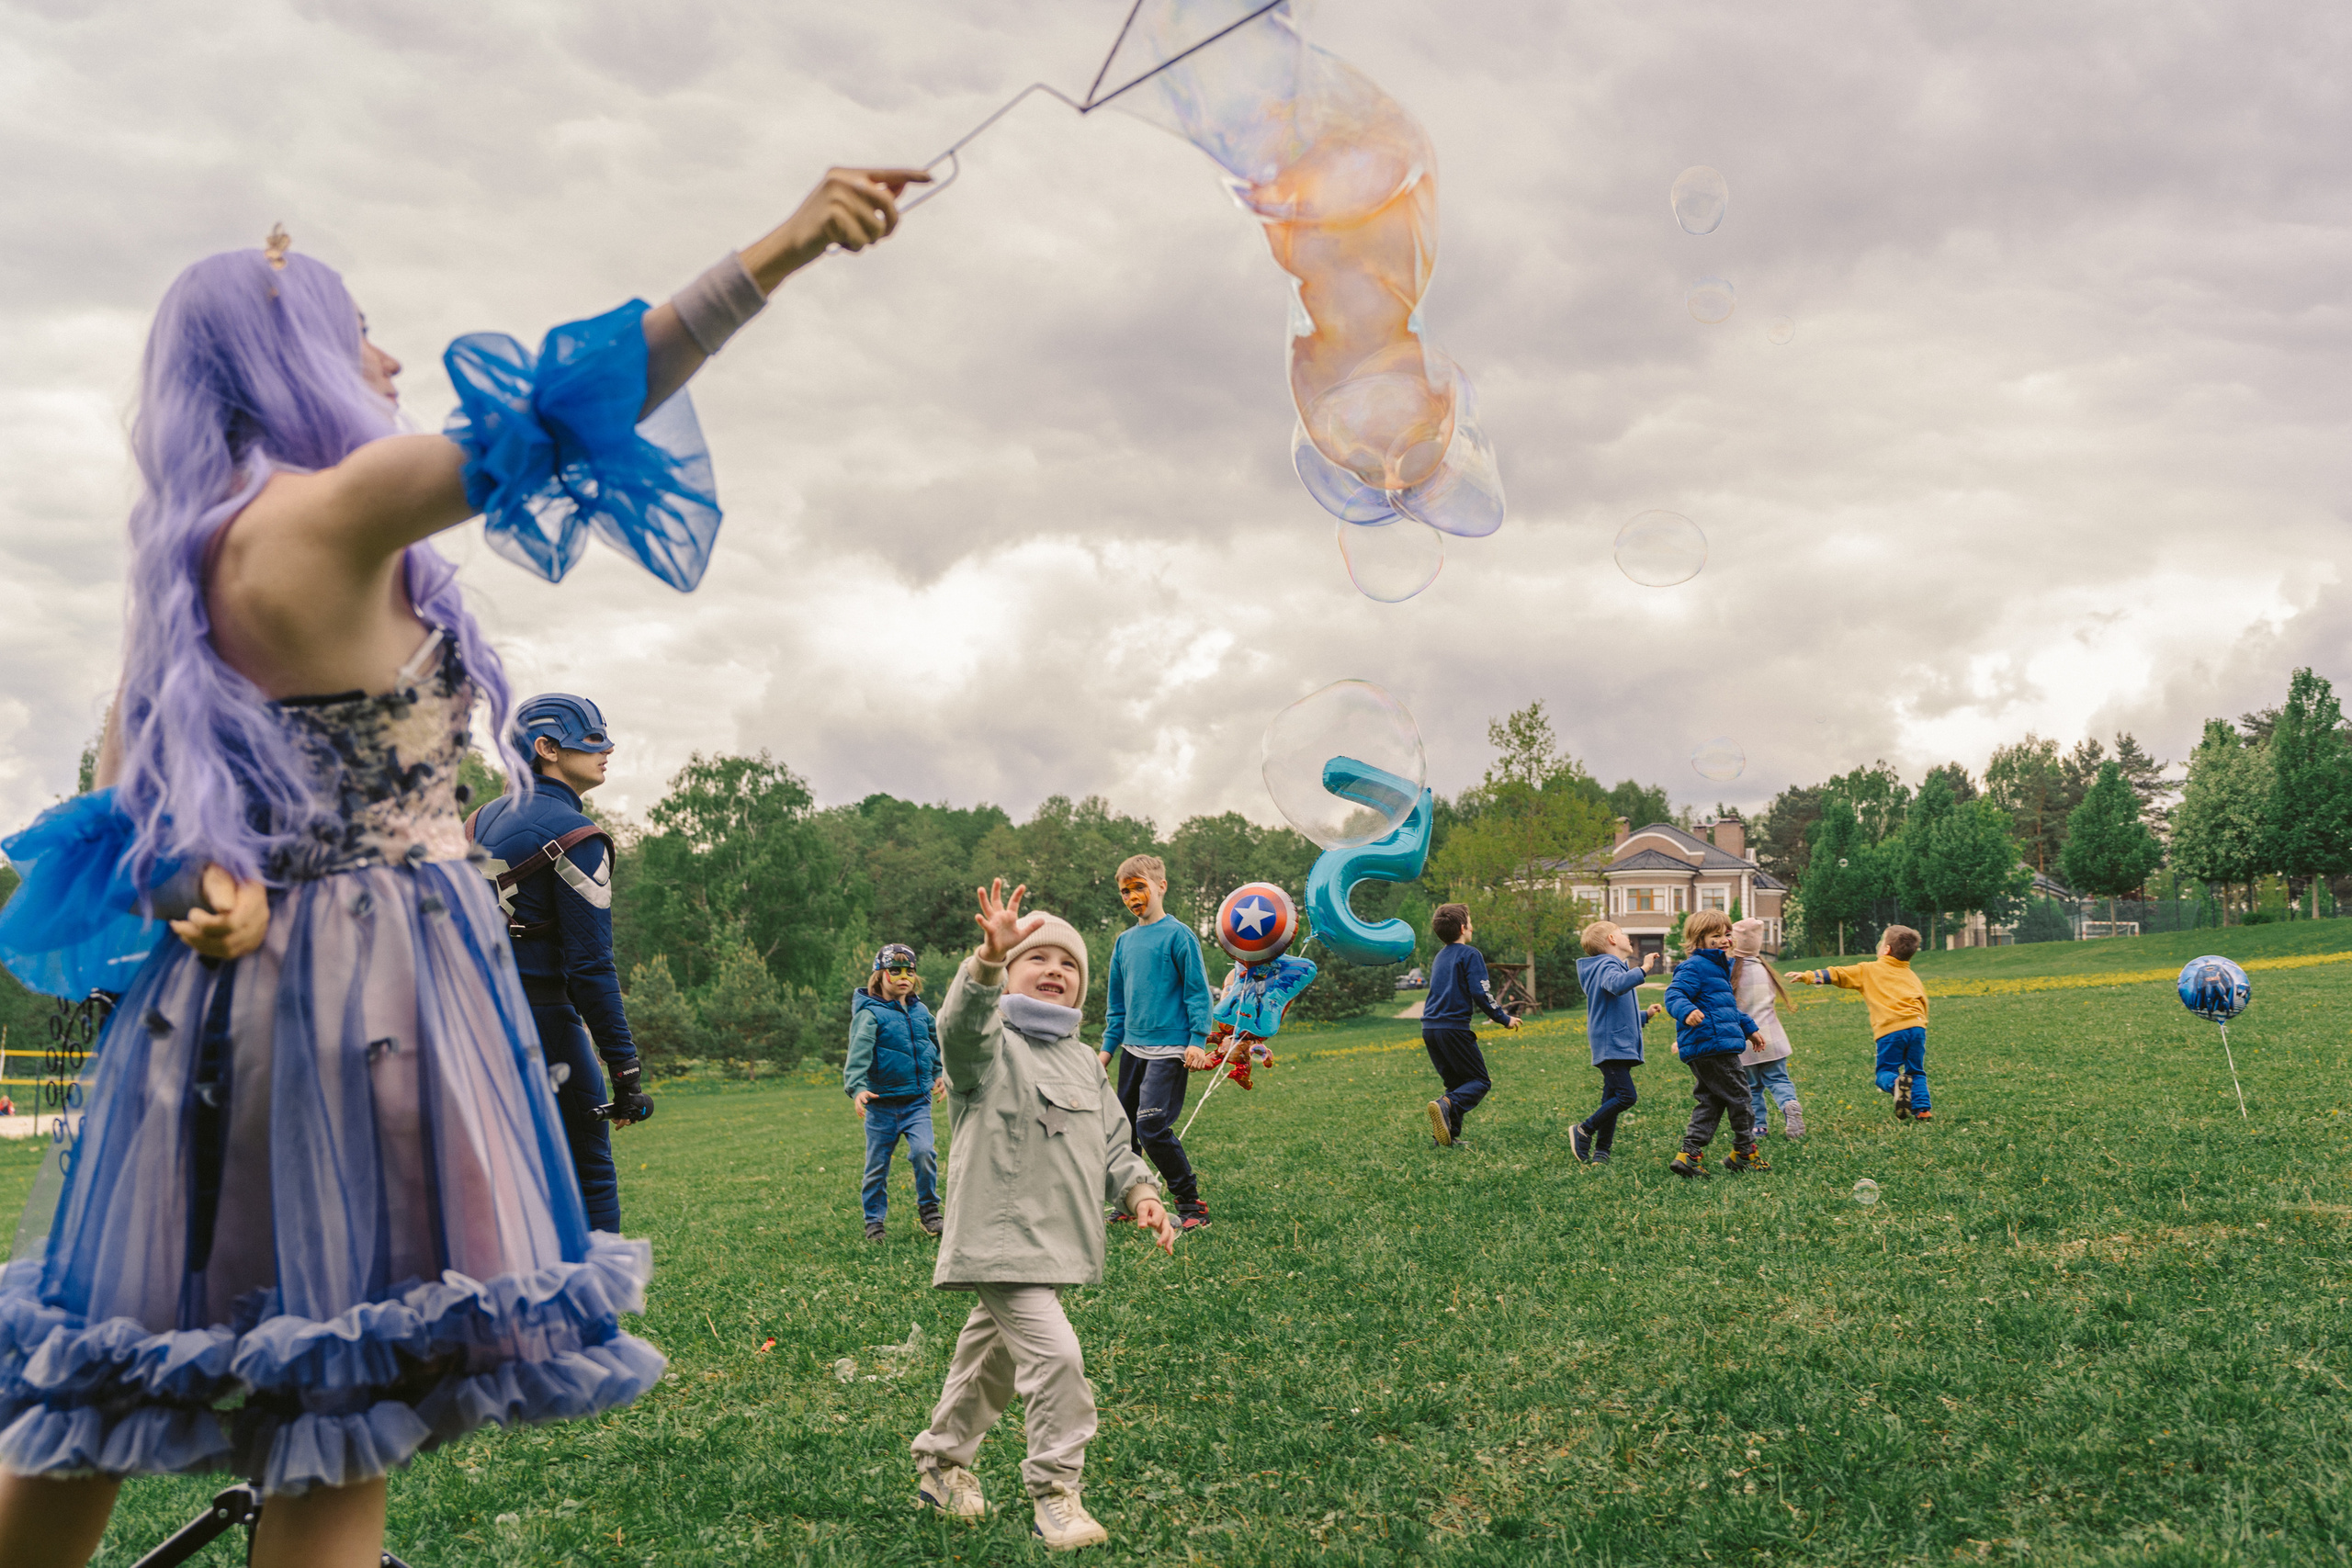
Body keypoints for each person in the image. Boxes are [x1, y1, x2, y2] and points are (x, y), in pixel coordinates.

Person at [0, 164, 924, 1568]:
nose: (389, 354)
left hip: (211, 1039)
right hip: (366, 1010)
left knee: (110, 1385)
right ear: (288, 354)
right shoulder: (331, 511)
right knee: (341, 1413)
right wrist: (784, 247)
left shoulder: (187, 575)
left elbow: (143, 835)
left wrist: (208, 894)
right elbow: (569, 402)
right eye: (362, 326)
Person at [911, 880, 1176, 1551]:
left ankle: (942, 1464)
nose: (1054, 969)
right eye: (1037, 958)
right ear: (1009, 975)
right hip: (999, 1241)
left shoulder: (1086, 1063)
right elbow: (958, 1029)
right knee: (1057, 1356)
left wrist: (1141, 1193)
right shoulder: (988, 1048)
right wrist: (985, 963)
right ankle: (1056, 1491)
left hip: (1058, 1243)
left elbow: (1115, 1143)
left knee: (991, 1362)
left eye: (1068, 964)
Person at [469, 692, 651, 1233]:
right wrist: (626, 1074)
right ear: (547, 749)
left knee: (501, 1182)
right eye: (592, 740)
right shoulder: (578, 837)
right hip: (545, 1024)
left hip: (470, 1026)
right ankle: (594, 1314)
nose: (608, 749)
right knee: (589, 1173)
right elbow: (592, 969)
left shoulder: (475, 822)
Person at [1098, 854, 1215, 1230]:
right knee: (1124, 1129)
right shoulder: (1123, 942)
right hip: (1132, 1050)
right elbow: (1116, 1006)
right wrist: (1106, 1051)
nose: (1132, 897)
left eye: (1139, 887)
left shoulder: (1179, 935)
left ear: (1161, 886)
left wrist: (1197, 1040)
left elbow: (1198, 993)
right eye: (1125, 891)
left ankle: (1191, 1204)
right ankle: (1130, 1198)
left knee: (1150, 1126)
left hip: (1170, 1051)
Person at [844, 942, 945, 1241]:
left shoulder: (921, 1011)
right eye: (895, 971)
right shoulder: (869, 1014)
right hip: (881, 1105)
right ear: (880, 975)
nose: (903, 977)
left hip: (917, 1101)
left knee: (924, 1152)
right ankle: (874, 1222)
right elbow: (858, 1054)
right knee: (877, 1166)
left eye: (909, 971)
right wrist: (858, 1087)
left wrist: (939, 1073)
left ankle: (929, 1210)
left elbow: (935, 1042)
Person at [1661, 909, 1770, 1179]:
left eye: (1727, 934)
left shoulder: (1718, 969)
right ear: (1699, 940)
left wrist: (1749, 1029)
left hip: (1708, 1045)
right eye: (1716, 935)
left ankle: (1689, 1155)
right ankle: (1744, 1153)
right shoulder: (1694, 966)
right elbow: (1674, 993)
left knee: (1712, 1101)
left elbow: (1726, 1009)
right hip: (1713, 1044)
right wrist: (1686, 1011)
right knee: (1742, 1097)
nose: (1724, 940)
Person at [1788, 924, 1932, 1122]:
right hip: (1917, 1027)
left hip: (1891, 1029)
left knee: (1885, 1072)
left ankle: (1896, 1083)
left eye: (1881, 941)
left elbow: (1838, 974)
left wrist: (1809, 976)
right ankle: (1923, 1109)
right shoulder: (1912, 976)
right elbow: (1923, 1001)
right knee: (1916, 1070)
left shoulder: (1869, 969)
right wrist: (1919, 1024)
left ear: (1886, 950)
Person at [1420, 903, 1520, 1148]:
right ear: (1463, 928)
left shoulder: (1440, 956)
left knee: (1456, 1086)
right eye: (1470, 922)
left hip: (1430, 1028)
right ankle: (1444, 1106)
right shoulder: (1470, 954)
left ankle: (1445, 1138)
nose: (1472, 927)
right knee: (1479, 1081)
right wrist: (1504, 1018)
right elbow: (1481, 992)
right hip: (1453, 1028)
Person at [1568, 920, 1663, 1165]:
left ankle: (1602, 1152)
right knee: (1626, 1096)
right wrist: (1644, 969)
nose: (1627, 936)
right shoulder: (1607, 964)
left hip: (1614, 1041)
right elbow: (1616, 985)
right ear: (1612, 939)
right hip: (1611, 1045)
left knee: (1610, 1098)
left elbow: (1614, 1006)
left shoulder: (1611, 965)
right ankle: (1584, 1129)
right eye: (1622, 933)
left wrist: (1645, 1015)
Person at [1731, 918, 1804, 1139]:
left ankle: (1759, 1127)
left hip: (1745, 1041)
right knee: (1779, 1079)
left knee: (1751, 1088)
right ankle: (1789, 1104)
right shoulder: (1765, 969)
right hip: (1773, 1039)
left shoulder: (1732, 973)